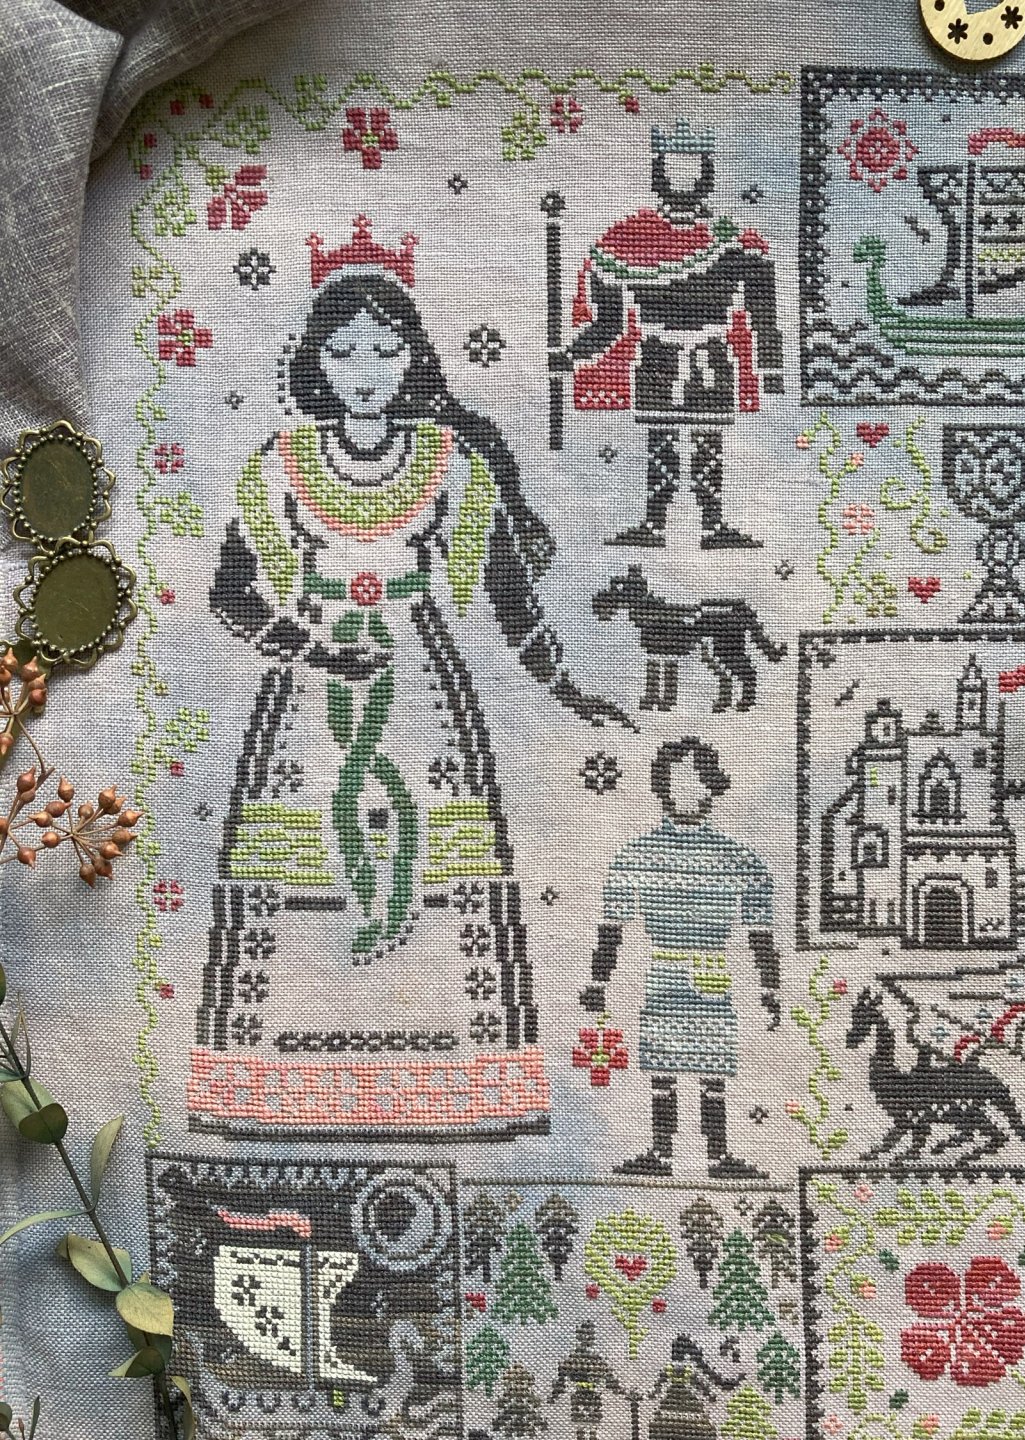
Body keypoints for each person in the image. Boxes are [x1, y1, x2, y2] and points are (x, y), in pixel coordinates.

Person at [191, 214, 630, 1144]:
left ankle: (455, 1085)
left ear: (413, 361)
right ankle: (276, 1084)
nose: (365, 370)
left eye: (384, 351)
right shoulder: (281, 468)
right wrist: (312, 649)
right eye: (344, 351)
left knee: (439, 856)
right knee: (300, 860)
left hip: (422, 692)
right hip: (309, 694)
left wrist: (564, 684)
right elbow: (231, 593)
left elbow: (507, 595)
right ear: (316, 362)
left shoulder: (452, 466)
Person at [552, 121, 784, 549]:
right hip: (656, 355)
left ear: (707, 174)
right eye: (673, 168)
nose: (683, 180)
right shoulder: (627, 243)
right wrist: (572, 354)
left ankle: (713, 526)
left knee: (708, 442)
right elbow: (609, 323)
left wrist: (771, 369)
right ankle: (655, 524)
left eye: (693, 169)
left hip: (711, 357)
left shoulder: (734, 243)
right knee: (661, 443)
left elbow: (762, 314)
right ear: (658, 173)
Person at [581, 737, 781, 1178]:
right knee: (662, 1066)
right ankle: (662, 1154)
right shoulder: (637, 856)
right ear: (663, 788)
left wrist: (770, 988)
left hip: (711, 971)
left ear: (712, 788)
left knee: (712, 1067)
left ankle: (718, 1156)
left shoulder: (739, 860)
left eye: (699, 781)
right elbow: (612, 927)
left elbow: (760, 932)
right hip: (665, 972)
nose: (690, 791)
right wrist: (598, 982)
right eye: (678, 781)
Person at [548, 1322, 627, 1440]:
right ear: (579, 1336)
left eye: (589, 1335)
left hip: (593, 1394)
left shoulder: (595, 1358)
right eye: (584, 1335)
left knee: (593, 1419)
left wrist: (622, 1392)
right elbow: (562, 1378)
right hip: (580, 1393)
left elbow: (609, 1378)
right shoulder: (574, 1358)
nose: (586, 1338)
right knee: (579, 1419)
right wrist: (554, 1395)